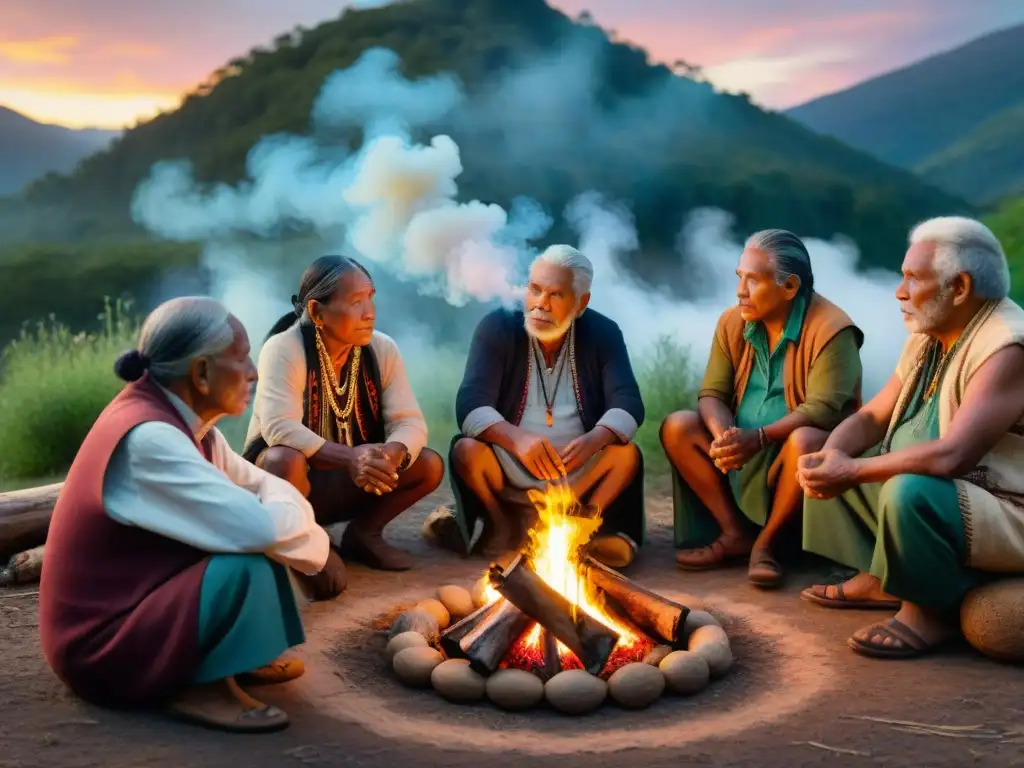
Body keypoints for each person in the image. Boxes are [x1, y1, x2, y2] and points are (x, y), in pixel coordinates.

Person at [39, 297, 330, 734]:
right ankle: (198, 684)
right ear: (200, 372)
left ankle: (230, 657)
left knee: (252, 540)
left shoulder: (194, 429)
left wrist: (280, 510)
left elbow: (260, 486)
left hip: (138, 610)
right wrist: (297, 524)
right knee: (245, 561)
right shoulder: (150, 438)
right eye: (242, 357)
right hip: (101, 646)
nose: (253, 371)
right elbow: (261, 526)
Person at [799, 216, 1024, 659]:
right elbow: (874, 417)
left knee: (909, 492)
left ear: (959, 287)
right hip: (954, 490)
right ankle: (881, 577)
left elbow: (952, 456)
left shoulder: (1008, 346)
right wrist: (833, 455)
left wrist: (853, 470)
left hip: (1007, 505)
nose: (900, 291)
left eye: (913, 279)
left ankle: (928, 613)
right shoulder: (932, 331)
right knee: (820, 452)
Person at [661, 229, 864, 587]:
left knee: (804, 440)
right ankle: (734, 532)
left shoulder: (833, 329)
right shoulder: (732, 322)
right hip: (745, 450)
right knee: (678, 425)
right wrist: (725, 437)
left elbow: (824, 409)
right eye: (740, 277)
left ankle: (767, 545)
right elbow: (711, 393)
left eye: (753, 280)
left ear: (789, 287)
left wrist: (760, 437)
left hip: (793, 457)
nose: (741, 290)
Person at [425, 245, 646, 567]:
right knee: (467, 451)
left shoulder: (603, 333)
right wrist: (518, 439)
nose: (541, 304)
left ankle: (579, 528)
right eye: (535, 290)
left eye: (556, 295)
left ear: (581, 303)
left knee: (625, 454)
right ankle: (500, 525)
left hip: (578, 471)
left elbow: (628, 400)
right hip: (511, 464)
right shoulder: (497, 327)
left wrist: (594, 440)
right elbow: (471, 402)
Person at [243, 255, 443, 596]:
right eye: (355, 302)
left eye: (371, 298)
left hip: (355, 480)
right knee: (282, 459)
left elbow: (409, 421)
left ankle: (364, 534)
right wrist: (351, 458)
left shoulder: (382, 349)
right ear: (318, 313)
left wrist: (391, 454)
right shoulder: (284, 348)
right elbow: (279, 427)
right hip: (298, 486)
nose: (370, 312)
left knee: (426, 464)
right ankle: (305, 537)